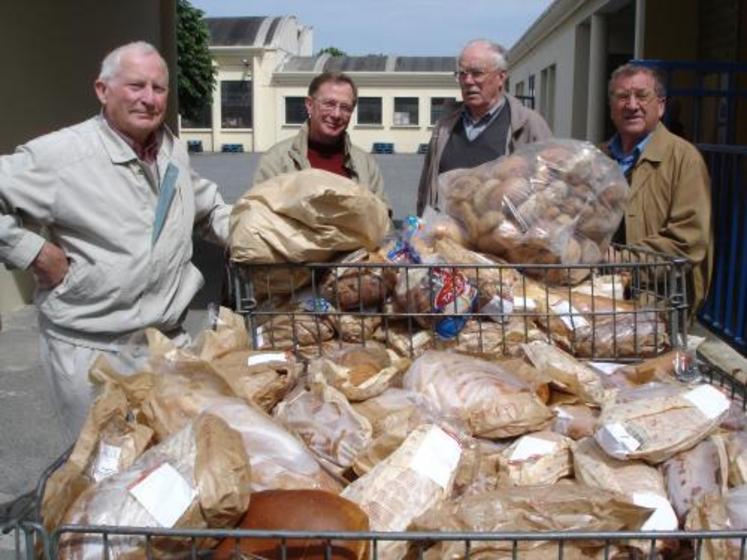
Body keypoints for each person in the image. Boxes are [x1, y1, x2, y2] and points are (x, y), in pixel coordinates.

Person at [0, 41, 231, 440]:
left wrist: (278, 238)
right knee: (99, 473)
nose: (149, 99)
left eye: (158, 89)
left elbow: (208, 207)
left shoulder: (171, 150)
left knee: (170, 468)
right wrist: (32, 250)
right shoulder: (63, 154)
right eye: (135, 86)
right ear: (102, 91)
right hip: (93, 349)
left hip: (165, 343)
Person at [603, 63, 711, 313]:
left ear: (660, 106)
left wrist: (620, 261)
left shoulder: (684, 159)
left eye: (642, 96)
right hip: (599, 301)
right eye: (622, 97)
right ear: (611, 108)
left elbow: (688, 243)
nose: (631, 105)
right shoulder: (597, 158)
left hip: (658, 307)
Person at [416, 39, 552, 216]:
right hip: (448, 237)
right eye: (462, 74)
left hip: (500, 238)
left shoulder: (528, 124)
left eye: (477, 73)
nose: (468, 81)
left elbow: (550, 190)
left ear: (501, 77)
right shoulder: (445, 126)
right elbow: (426, 188)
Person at [254, 71, 388, 207]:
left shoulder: (365, 165)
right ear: (309, 105)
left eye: (345, 107)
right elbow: (259, 215)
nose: (336, 114)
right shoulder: (277, 160)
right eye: (329, 104)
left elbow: (383, 219)